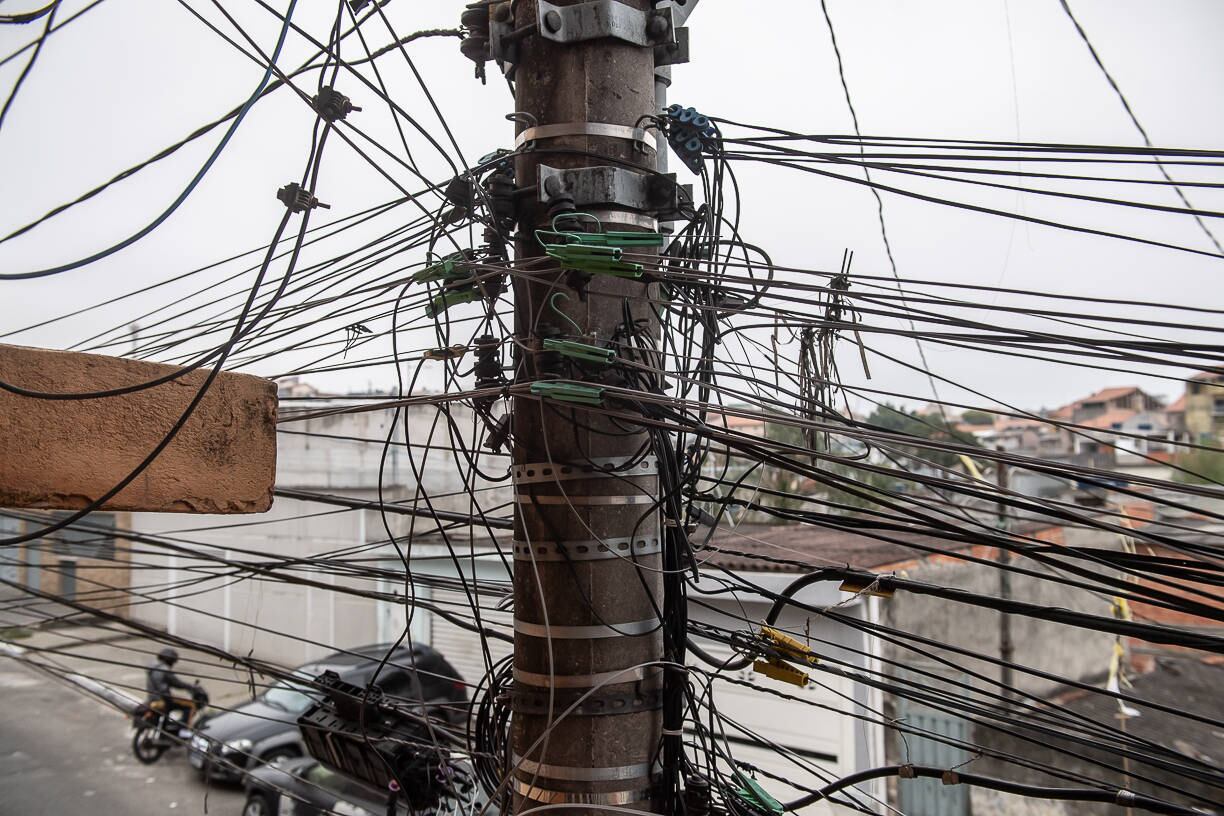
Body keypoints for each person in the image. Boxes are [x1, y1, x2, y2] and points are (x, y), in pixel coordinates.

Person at [145, 647, 197, 734]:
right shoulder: (164, 670)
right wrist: (191, 687)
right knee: (191, 705)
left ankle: (170, 727)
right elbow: (177, 683)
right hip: (162, 700)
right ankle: (183, 730)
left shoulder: (152, 667)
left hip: (152, 699)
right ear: (170, 660)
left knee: (177, 700)